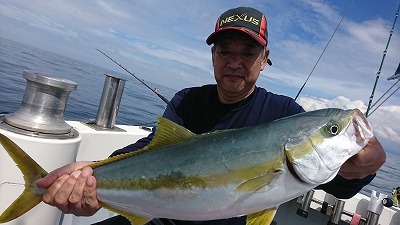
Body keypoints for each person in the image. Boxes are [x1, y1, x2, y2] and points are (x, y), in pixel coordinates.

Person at [36, 6, 386, 225]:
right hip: (168, 219)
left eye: (248, 53)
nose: (235, 62)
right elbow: (151, 151)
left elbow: (337, 184)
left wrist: (364, 168)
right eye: (224, 50)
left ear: (264, 60)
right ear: (213, 56)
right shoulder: (188, 101)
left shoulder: (285, 114)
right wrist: (89, 177)